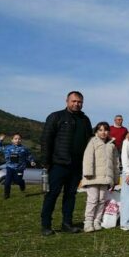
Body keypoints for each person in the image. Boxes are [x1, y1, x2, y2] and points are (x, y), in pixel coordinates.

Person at [40, 91, 92, 236]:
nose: (76, 104)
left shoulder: (85, 120)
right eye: (74, 101)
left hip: (76, 165)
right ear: (67, 101)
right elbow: (46, 139)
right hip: (58, 164)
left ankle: (67, 223)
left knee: (70, 195)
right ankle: (46, 225)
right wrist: (45, 162)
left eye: (79, 102)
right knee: (52, 194)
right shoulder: (56, 117)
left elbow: (90, 140)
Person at [81, 122, 118, 232]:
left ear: (109, 132)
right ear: (96, 131)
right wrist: (88, 173)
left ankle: (97, 221)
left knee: (102, 200)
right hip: (93, 177)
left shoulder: (112, 145)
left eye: (105, 130)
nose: (103, 132)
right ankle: (88, 222)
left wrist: (115, 178)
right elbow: (88, 157)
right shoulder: (93, 142)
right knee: (93, 200)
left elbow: (116, 163)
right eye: (100, 130)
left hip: (105, 178)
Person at [0, 133, 36, 199]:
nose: (17, 140)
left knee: (18, 181)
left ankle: (22, 183)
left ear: (21, 140)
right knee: (7, 182)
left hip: (20, 168)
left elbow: (29, 155)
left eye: (19, 139)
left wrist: (32, 161)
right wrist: (0, 140)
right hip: (10, 168)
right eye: (15, 139)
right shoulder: (7, 148)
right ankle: (6, 196)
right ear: (12, 140)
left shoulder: (24, 149)